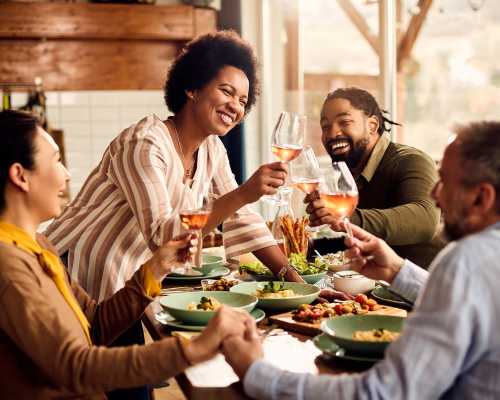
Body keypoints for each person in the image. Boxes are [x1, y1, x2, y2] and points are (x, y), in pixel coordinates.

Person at [44, 30, 302, 398]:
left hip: (129, 282)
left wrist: (291, 278)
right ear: (192, 88)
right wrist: (246, 191)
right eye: (226, 91)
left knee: (135, 387)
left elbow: (240, 217)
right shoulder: (144, 142)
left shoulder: (212, 149)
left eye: (243, 100)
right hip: (84, 275)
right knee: (116, 387)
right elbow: (164, 233)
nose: (235, 105)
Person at [222, 120, 500, 399]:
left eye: (444, 181)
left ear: (481, 198)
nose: (434, 194)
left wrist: (256, 372)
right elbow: (471, 303)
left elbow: (383, 393)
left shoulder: (466, 261)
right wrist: (396, 270)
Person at [0, 110, 255, 399]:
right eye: (57, 160)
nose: (67, 173)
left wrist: (155, 268)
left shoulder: (39, 246)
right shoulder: (9, 267)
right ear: (20, 176)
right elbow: (76, 367)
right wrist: (193, 348)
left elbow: (96, 325)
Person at [305, 87, 443, 268]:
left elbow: (425, 220)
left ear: (372, 125)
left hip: (422, 288)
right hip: (375, 284)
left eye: (344, 122)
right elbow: (360, 238)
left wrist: (345, 218)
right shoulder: (349, 173)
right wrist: (309, 248)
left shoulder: (411, 161)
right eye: (326, 126)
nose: (332, 133)